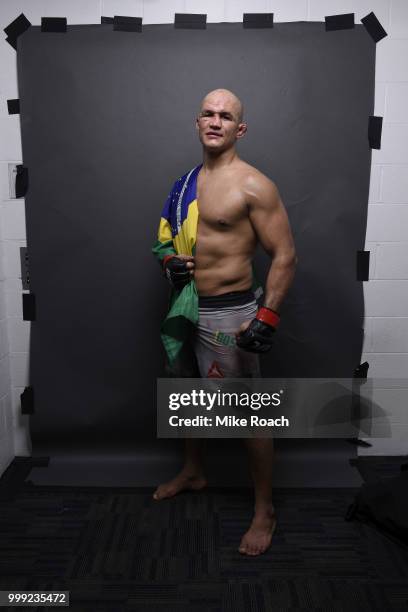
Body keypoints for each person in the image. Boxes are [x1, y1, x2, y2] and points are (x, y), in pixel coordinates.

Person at [151, 88, 297, 556]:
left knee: (249, 416)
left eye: (226, 116)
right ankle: (195, 471)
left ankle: (263, 510)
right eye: (208, 114)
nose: (216, 121)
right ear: (198, 123)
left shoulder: (254, 186)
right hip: (186, 307)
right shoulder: (184, 183)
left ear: (240, 128)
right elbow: (167, 244)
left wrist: (268, 315)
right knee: (186, 396)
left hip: (231, 314)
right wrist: (170, 263)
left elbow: (285, 255)